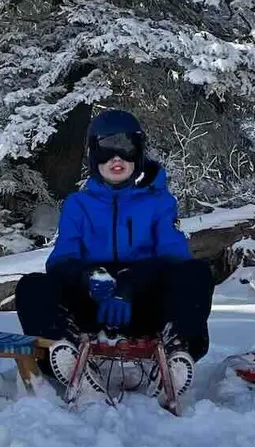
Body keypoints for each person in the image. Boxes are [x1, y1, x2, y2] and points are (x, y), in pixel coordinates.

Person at [15, 109, 215, 400]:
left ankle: (175, 356)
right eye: (106, 150)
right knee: (32, 286)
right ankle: (67, 357)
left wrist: (130, 285)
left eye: (125, 149)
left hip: (144, 306)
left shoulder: (159, 202)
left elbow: (174, 258)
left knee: (195, 274)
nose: (116, 159)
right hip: (92, 306)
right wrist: (86, 277)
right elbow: (60, 261)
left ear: (139, 152)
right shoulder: (78, 205)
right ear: (94, 156)